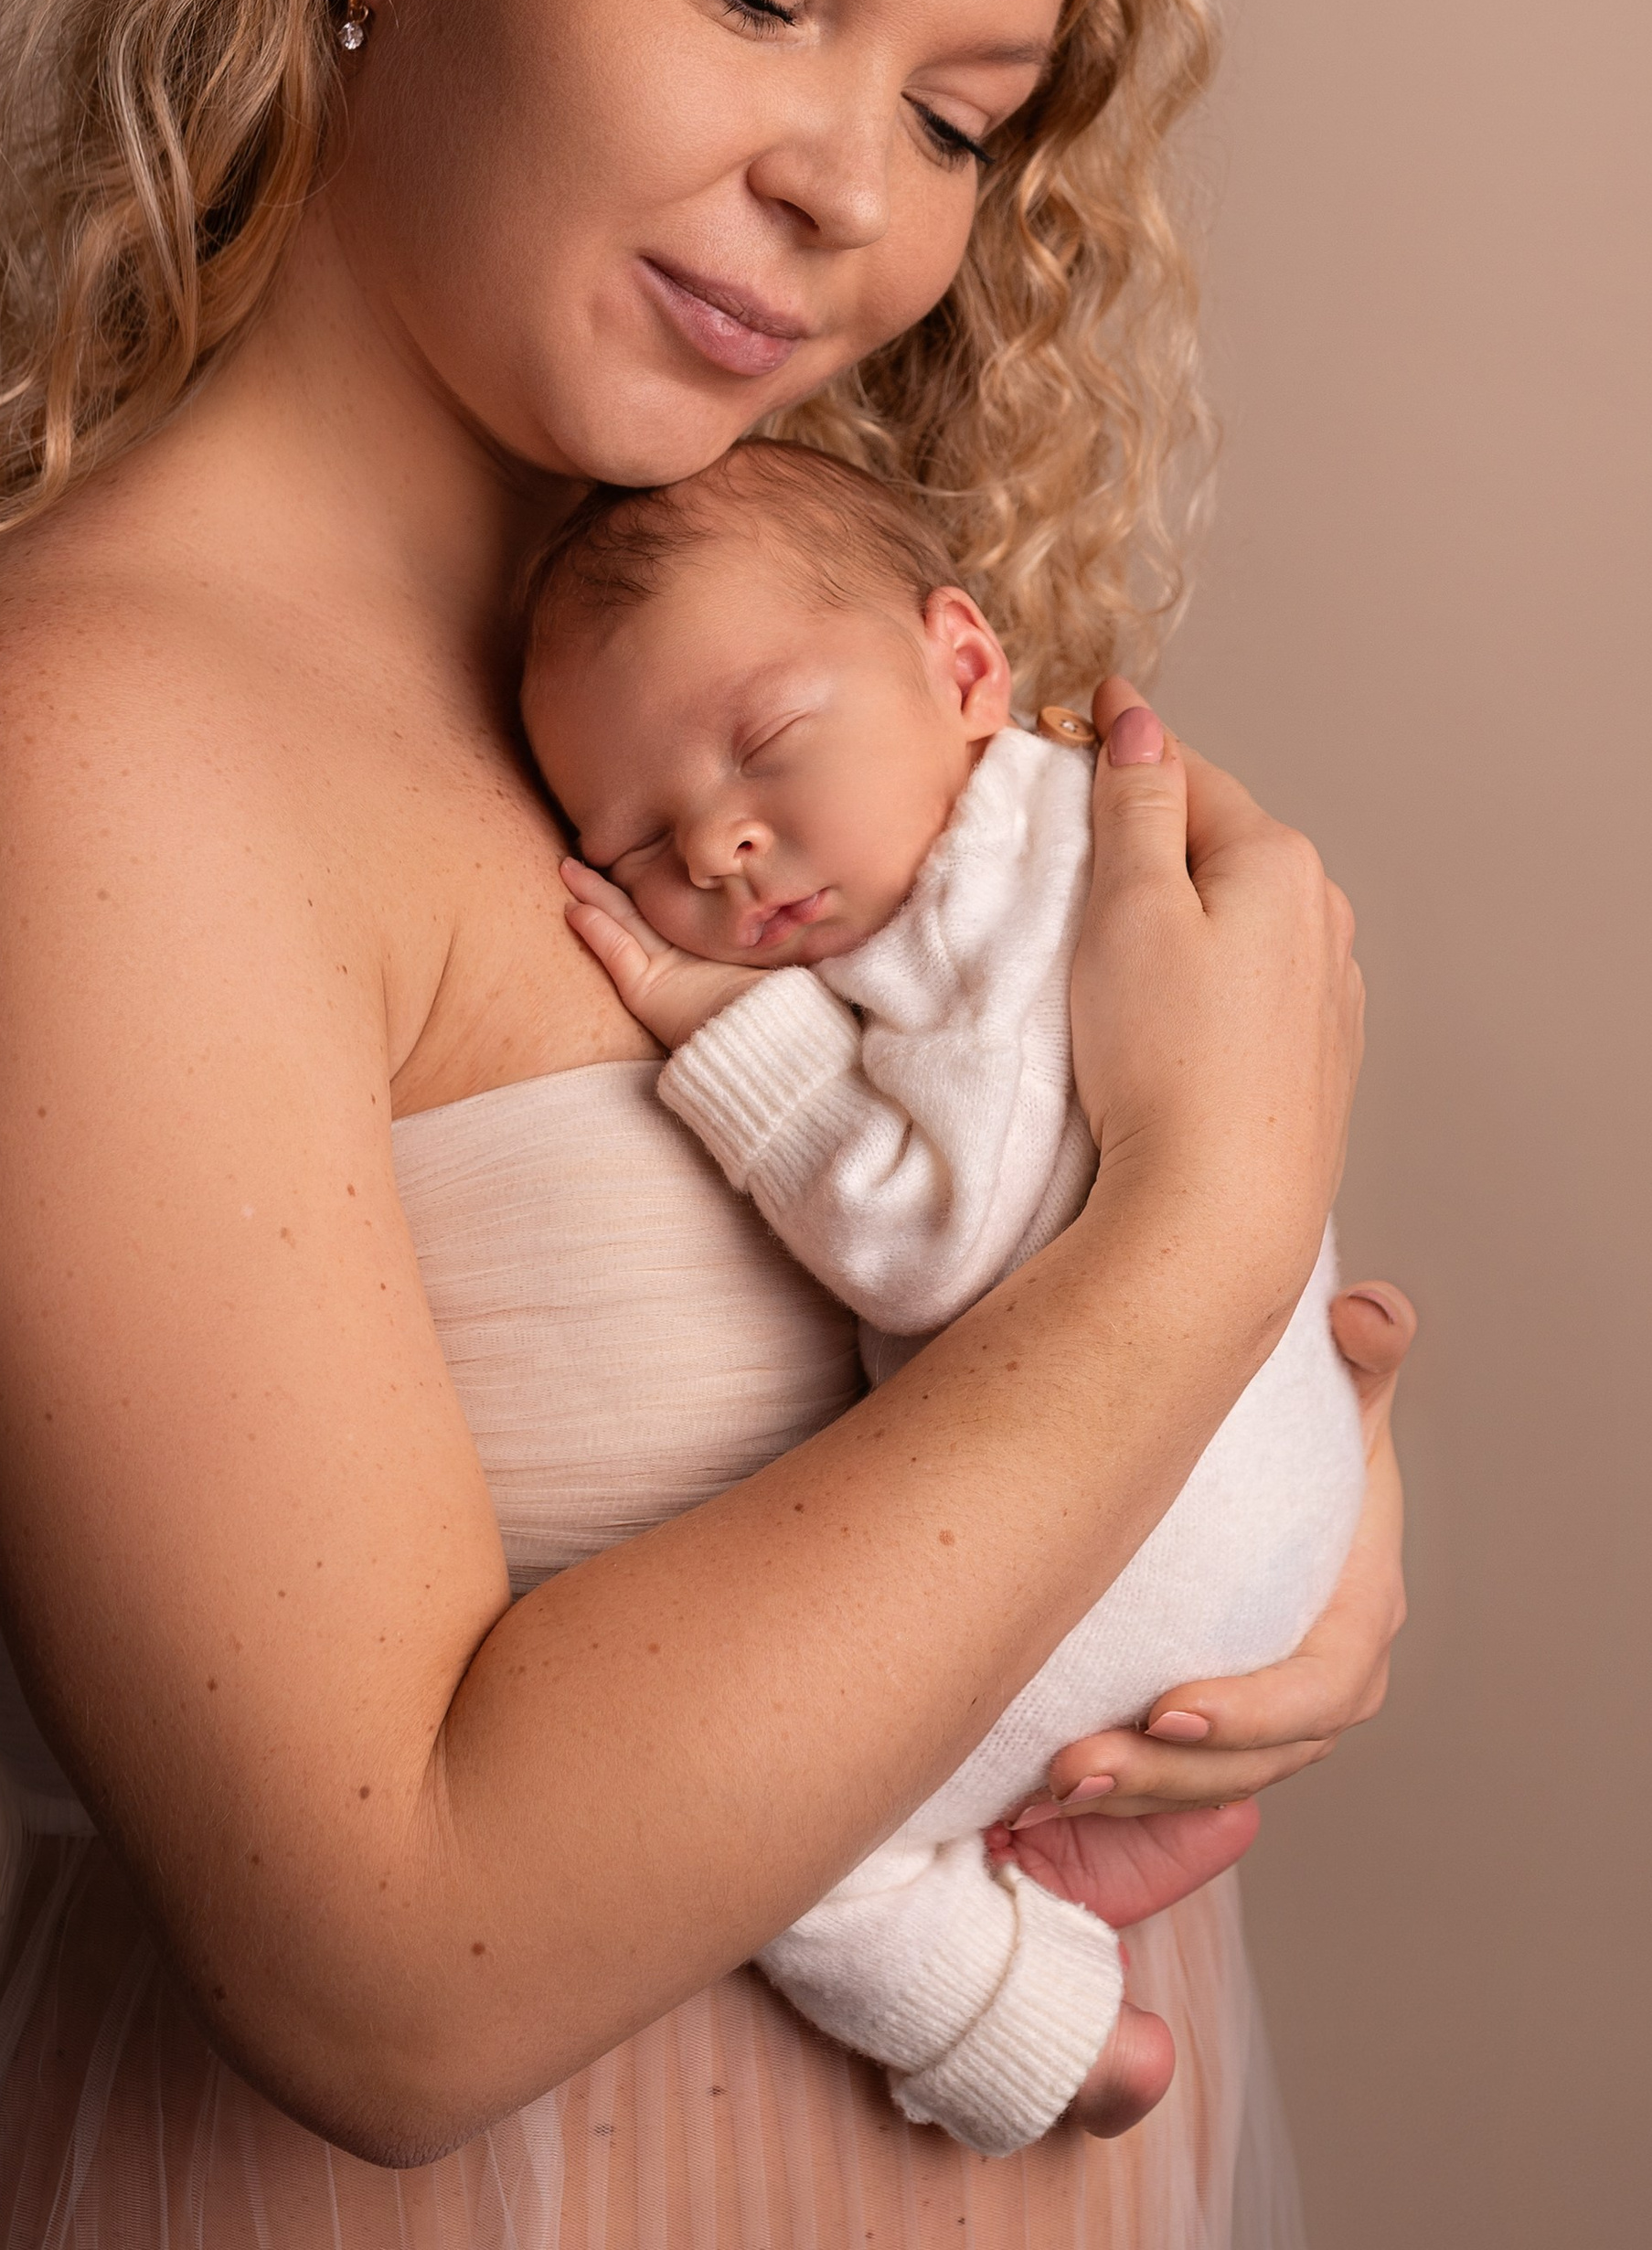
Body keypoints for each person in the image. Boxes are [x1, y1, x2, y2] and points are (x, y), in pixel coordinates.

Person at [0, 0, 1411, 2250]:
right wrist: (1193, 1248)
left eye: (960, 115)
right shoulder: (80, 743)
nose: (842, 192)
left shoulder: (763, 689)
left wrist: (1323, 1544)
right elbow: (382, 1973)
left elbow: (1049, 1340)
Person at [517, 439, 1370, 2157]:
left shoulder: (1001, 891)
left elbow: (932, 1242)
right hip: (1249, 1479)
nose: (726, 844)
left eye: (762, 749)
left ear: (966, 664)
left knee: (764, 1841)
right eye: (643, 846)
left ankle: (1051, 2038)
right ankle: (1072, 1835)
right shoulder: (1023, 835)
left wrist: (720, 1027)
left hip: (1160, 1520)